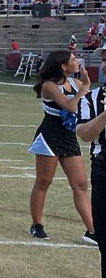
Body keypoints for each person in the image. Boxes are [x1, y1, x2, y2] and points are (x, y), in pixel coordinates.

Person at [27, 50, 95, 243]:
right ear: (63, 66)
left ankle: (92, 230)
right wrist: (85, 88)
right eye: (73, 60)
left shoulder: (77, 83)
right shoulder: (49, 86)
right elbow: (70, 106)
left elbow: (84, 107)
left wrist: (86, 87)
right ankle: (36, 225)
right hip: (49, 137)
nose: (77, 62)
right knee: (43, 182)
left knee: (80, 184)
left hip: (68, 137)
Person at [75, 51, 106, 278]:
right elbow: (84, 134)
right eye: (105, 59)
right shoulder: (91, 99)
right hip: (104, 169)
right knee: (105, 237)